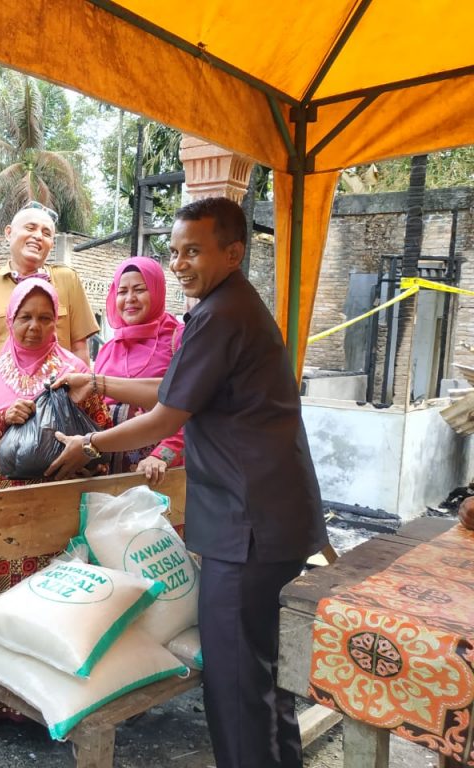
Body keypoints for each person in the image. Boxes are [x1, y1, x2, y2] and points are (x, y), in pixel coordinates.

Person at [48, 196, 328, 768]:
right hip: (271, 521)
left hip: (245, 528)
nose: (179, 264)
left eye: (193, 251)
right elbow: (176, 389)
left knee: (235, 683)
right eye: (174, 252)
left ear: (233, 251)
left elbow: (168, 418)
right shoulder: (232, 309)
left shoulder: (220, 315)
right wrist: (98, 382)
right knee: (263, 676)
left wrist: (89, 445)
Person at [0, 277, 110, 590]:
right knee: (8, 600)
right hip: (8, 510)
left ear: (56, 322)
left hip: (65, 505)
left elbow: (103, 433)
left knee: (58, 599)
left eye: (45, 319)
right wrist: (2, 419)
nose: (34, 326)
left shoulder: (76, 375)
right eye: (25, 317)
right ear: (10, 320)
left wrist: (85, 457)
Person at [0, 202, 99, 382]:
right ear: (8, 233)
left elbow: (79, 348)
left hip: (52, 405)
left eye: (46, 233)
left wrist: (82, 400)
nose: (38, 236)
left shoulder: (68, 281)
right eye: (30, 228)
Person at [93, 256, 185, 482]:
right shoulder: (108, 349)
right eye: (122, 291)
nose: (130, 299)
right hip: (109, 476)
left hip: (159, 474)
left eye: (140, 289)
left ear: (156, 290)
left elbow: (191, 408)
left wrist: (161, 456)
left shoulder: (178, 339)